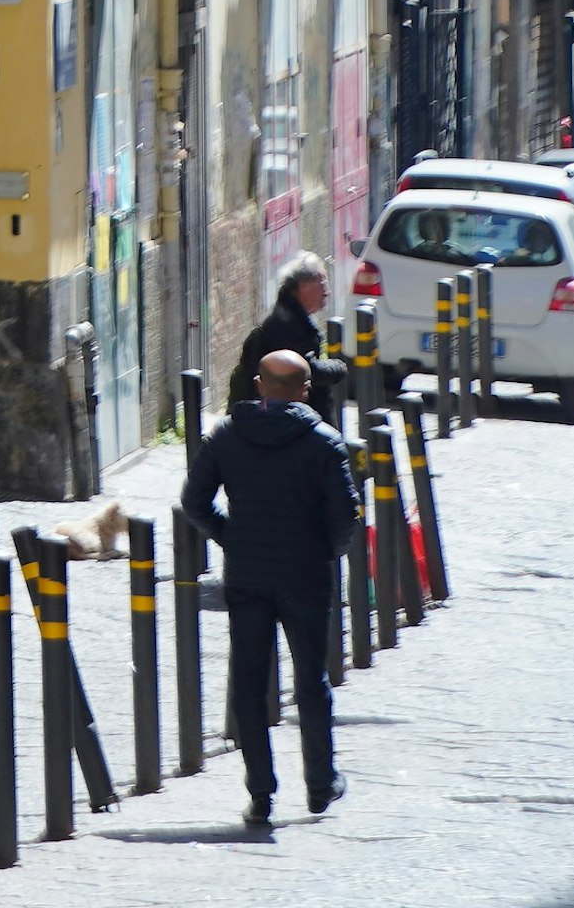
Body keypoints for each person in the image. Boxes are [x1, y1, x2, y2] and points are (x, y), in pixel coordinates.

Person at [179, 348, 362, 824]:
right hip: (306, 576)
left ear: (259, 385)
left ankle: (261, 792)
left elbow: (194, 500)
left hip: (249, 576)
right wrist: (323, 552)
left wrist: (232, 538)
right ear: (305, 391)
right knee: (311, 681)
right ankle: (320, 783)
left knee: (248, 681)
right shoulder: (324, 442)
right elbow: (347, 518)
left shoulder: (226, 436)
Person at [227, 255, 338, 417]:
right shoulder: (287, 326)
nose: (327, 291)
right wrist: (337, 368)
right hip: (274, 420)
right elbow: (304, 371)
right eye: (322, 283)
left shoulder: (292, 319)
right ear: (303, 286)